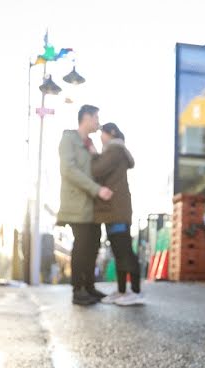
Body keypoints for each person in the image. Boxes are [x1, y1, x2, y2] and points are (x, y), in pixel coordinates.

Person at [56, 104, 113, 306]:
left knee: (93, 244)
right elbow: (68, 170)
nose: (98, 122)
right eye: (96, 117)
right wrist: (97, 190)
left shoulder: (91, 144)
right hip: (76, 203)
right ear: (86, 118)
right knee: (81, 245)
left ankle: (89, 286)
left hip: (92, 206)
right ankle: (77, 289)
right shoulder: (69, 139)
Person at [91, 123, 144, 306]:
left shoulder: (114, 150)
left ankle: (135, 292)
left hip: (117, 209)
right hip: (113, 209)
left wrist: (92, 154)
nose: (100, 137)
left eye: (102, 134)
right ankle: (122, 291)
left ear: (110, 133)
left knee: (124, 251)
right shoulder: (114, 150)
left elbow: (96, 170)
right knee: (119, 251)